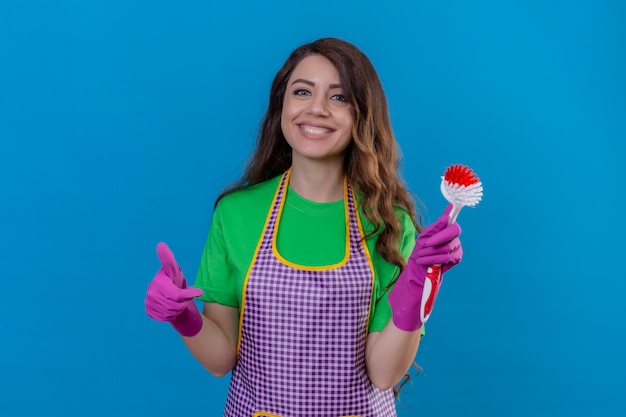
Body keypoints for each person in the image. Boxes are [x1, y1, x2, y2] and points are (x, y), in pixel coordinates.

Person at [144, 37, 463, 417]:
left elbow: (382, 374)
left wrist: (418, 289)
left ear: (362, 115)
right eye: (302, 91)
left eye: (339, 97)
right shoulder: (235, 214)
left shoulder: (389, 223)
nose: (316, 109)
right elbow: (220, 360)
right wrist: (184, 316)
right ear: (282, 105)